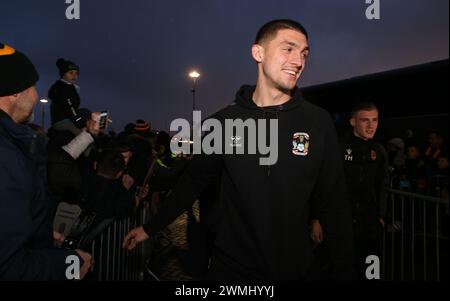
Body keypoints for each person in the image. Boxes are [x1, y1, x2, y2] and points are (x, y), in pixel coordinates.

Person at [123, 19, 355, 280]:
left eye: (304, 53)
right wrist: (150, 227)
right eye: (288, 49)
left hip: (296, 269)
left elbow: (335, 203)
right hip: (232, 270)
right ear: (258, 52)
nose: (299, 61)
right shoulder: (222, 123)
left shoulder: (318, 121)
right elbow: (192, 183)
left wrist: (346, 271)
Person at [0, 43, 91, 280]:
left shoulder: (13, 145)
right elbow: (8, 268)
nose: (37, 95)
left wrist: (37, 234)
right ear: (14, 92)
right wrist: (68, 264)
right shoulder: (7, 156)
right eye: (33, 86)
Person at [311, 102, 388, 280]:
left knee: (371, 269)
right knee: (340, 269)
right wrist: (316, 218)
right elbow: (324, 184)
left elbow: (382, 186)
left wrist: (381, 216)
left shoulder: (379, 151)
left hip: (370, 223)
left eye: (374, 120)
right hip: (341, 221)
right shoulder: (337, 148)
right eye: (365, 120)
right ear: (353, 122)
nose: (371, 126)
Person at [48, 57, 85, 135]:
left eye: (76, 73)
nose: (74, 75)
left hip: (64, 119)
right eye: (71, 73)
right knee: (85, 136)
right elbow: (70, 107)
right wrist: (80, 122)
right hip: (63, 120)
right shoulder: (63, 88)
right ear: (63, 74)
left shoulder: (69, 87)